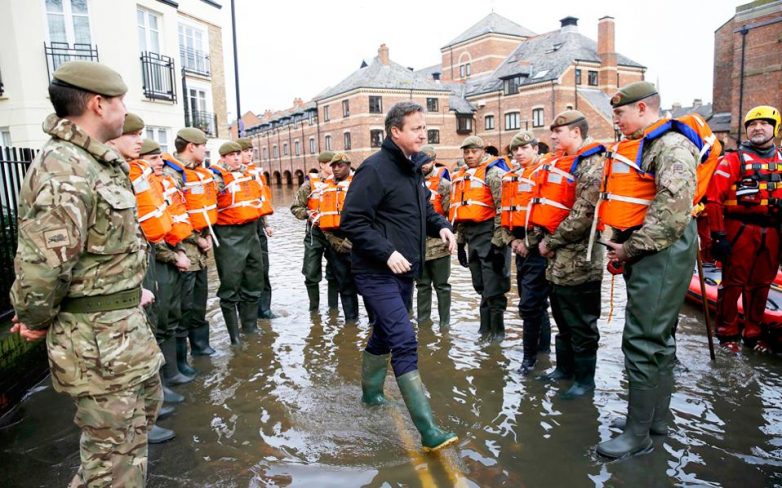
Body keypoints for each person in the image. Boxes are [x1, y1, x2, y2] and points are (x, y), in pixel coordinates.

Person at [10, 60, 163, 486]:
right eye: (121, 102)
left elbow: (104, 249)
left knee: (127, 442)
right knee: (114, 459)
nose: (125, 110)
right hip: (96, 344)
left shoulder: (95, 162)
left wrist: (130, 290)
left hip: (122, 331)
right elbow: (43, 264)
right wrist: (36, 319)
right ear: (98, 104)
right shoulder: (64, 167)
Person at [341, 101, 459, 451]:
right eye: (415, 128)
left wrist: (442, 228)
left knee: (385, 333)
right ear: (395, 132)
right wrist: (386, 251)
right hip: (376, 271)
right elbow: (352, 221)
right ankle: (429, 432)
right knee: (405, 339)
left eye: (425, 127)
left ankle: (371, 395)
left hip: (405, 270)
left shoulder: (411, 169)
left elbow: (424, 209)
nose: (423, 133)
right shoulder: (374, 169)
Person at [596, 81, 699, 458]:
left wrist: (627, 249)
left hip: (660, 250)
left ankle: (637, 434)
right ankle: (656, 421)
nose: (615, 120)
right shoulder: (649, 144)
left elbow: (671, 215)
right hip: (655, 248)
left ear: (643, 109)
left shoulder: (668, 145)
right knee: (660, 337)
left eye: (620, 113)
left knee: (641, 339)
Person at [108, 116, 177, 444]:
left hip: (139, 261)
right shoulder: (112, 173)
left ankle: (147, 414)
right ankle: (138, 424)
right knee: (130, 349)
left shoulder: (126, 172)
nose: (140, 141)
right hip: (116, 282)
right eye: (133, 135)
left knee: (148, 336)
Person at [534, 111, 606, 398]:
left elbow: (583, 216)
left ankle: (584, 382)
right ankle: (563, 370)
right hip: (557, 263)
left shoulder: (592, 167)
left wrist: (551, 241)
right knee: (562, 319)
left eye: (558, 131)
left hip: (581, 261)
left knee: (582, 324)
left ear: (576, 133)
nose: (553, 136)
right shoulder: (562, 163)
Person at [705, 105, 782, 353]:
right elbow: (714, 200)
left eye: (764, 124)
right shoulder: (732, 160)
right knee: (733, 283)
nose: (757, 128)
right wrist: (718, 235)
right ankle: (727, 334)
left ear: (776, 128)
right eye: (752, 125)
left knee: (761, 284)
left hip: (772, 232)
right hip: (739, 230)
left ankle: (753, 332)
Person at [140, 138, 196, 394]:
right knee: (160, 320)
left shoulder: (159, 186)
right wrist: (175, 257)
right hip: (157, 261)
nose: (160, 162)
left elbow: (172, 222)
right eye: (153, 159)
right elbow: (149, 234)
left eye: (159, 158)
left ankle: (172, 373)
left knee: (172, 316)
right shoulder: (140, 189)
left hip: (173, 254)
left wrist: (181, 249)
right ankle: (163, 381)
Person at [162, 128, 217, 373]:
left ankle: (200, 347)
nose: (206, 149)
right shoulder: (172, 174)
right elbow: (173, 215)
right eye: (203, 145)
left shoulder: (199, 173)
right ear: (191, 146)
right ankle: (180, 363)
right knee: (182, 307)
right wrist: (197, 239)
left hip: (201, 251)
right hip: (183, 250)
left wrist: (205, 235)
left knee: (198, 302)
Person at [450, 135, 512, 341]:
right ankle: (484, 329)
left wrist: (498, 242)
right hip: (471, 236)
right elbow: (461, 213)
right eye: (466, 152)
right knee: (481, 285)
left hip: (490, 236)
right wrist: (460, 244)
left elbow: (502, 208)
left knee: (494, 286)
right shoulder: (463, 176)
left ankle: (498, 333)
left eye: (473, 152)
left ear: (483, 151)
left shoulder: (493, 174)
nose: (469, 156)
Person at [501, 130, 552, 376]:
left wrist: (527, 243)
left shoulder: (545, 173)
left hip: (538, 248)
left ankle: (529, 360)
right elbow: (506, 214)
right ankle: (543, 351)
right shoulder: (512, 177)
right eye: (515, 150)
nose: (519, 153)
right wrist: (512, 240)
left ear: (535, 149)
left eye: (524, 148)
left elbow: (548, 216)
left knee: (530, 304)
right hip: (519, 247)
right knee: (534, 304)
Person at [209, 141, 266, 343]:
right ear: (223, 157)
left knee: (253, 279)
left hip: (250, 233)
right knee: (230, 285)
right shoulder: (216, 177)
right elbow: (206, 206)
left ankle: (250, 327)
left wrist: (264, 224)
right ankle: (234, 337)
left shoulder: (248, 174)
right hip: (228, 236)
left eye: (238, 154)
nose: (236, 158)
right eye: (231, 155)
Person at [290, 152, 340, 312]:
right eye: (329, 164)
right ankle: (314, 310)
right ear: (321, 165)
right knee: (311, 273)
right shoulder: (308, 185)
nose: (333, 168)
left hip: (335, 234)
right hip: (315, 233)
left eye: (335, 165)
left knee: (335, 273)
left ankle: (334, 310)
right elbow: (296, 207)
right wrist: (307, 214)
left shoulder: (343, 183)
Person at [237, 138, 277, 319]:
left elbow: (261, 202)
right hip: (240, 229)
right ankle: (246, 312)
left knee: (263, 268)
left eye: (250, 151)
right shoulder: (230, 175)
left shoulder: (257, 174)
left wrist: (266, 224)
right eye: (245, 151)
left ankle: (265, 309)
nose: (249, 154)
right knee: (244, 271)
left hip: (257, 227)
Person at [320, 152, 360, 323]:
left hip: (358, 243)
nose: (336, 169)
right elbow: (322, 217)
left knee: (366, 284)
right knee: (344, 285)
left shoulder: (359, 184)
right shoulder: (325, 187)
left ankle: (374, 324)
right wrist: (332, 240)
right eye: (333, 165)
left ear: (349, 165)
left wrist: (351, 240)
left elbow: (369, 216)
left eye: (340, 165)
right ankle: (351, 323)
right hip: (335, 242)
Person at [415, 145, 452, 328]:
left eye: (427, 161)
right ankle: (423, 324)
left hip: (439, 244)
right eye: (421, 160)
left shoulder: (444, 185)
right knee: (422, 286)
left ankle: (445, 324)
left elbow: (448, 212)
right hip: (418, 245)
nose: (423, 165)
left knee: (442, 286)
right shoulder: (412, 182)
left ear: (434, 161)